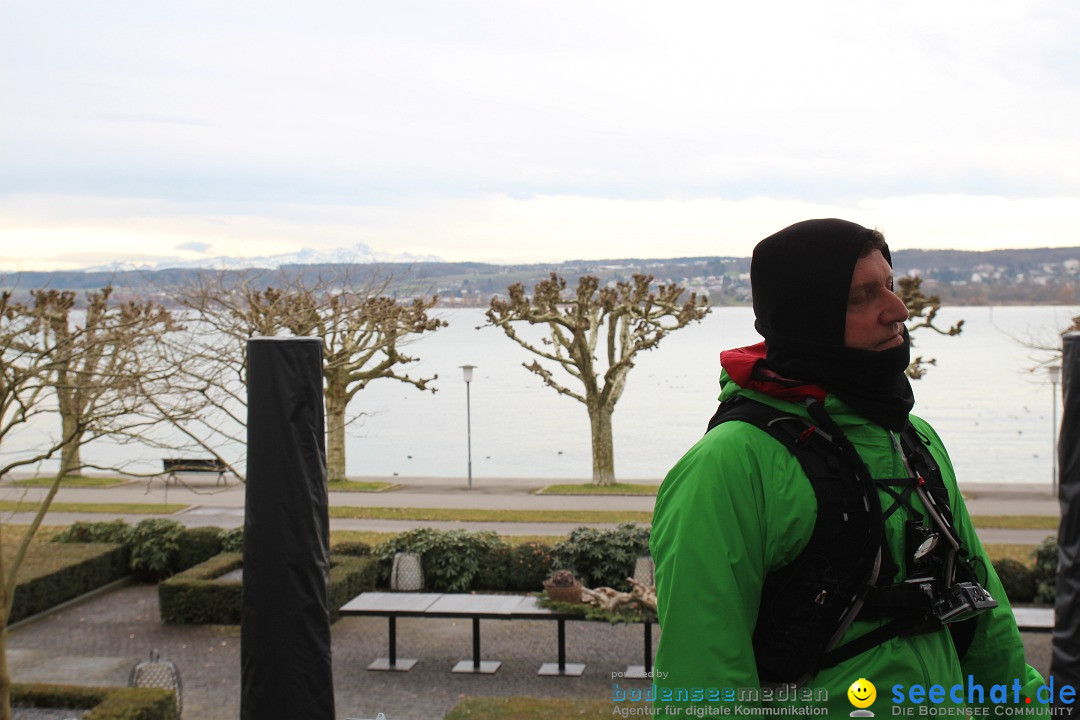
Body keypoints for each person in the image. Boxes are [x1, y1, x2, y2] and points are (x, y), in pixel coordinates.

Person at [650, 219, 1048, 716]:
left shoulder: (914, 439)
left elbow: (986, 627)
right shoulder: (728, 467)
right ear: (806, 316)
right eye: (862, 297)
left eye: (890, 285)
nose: (897, 310)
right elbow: (703, 688)